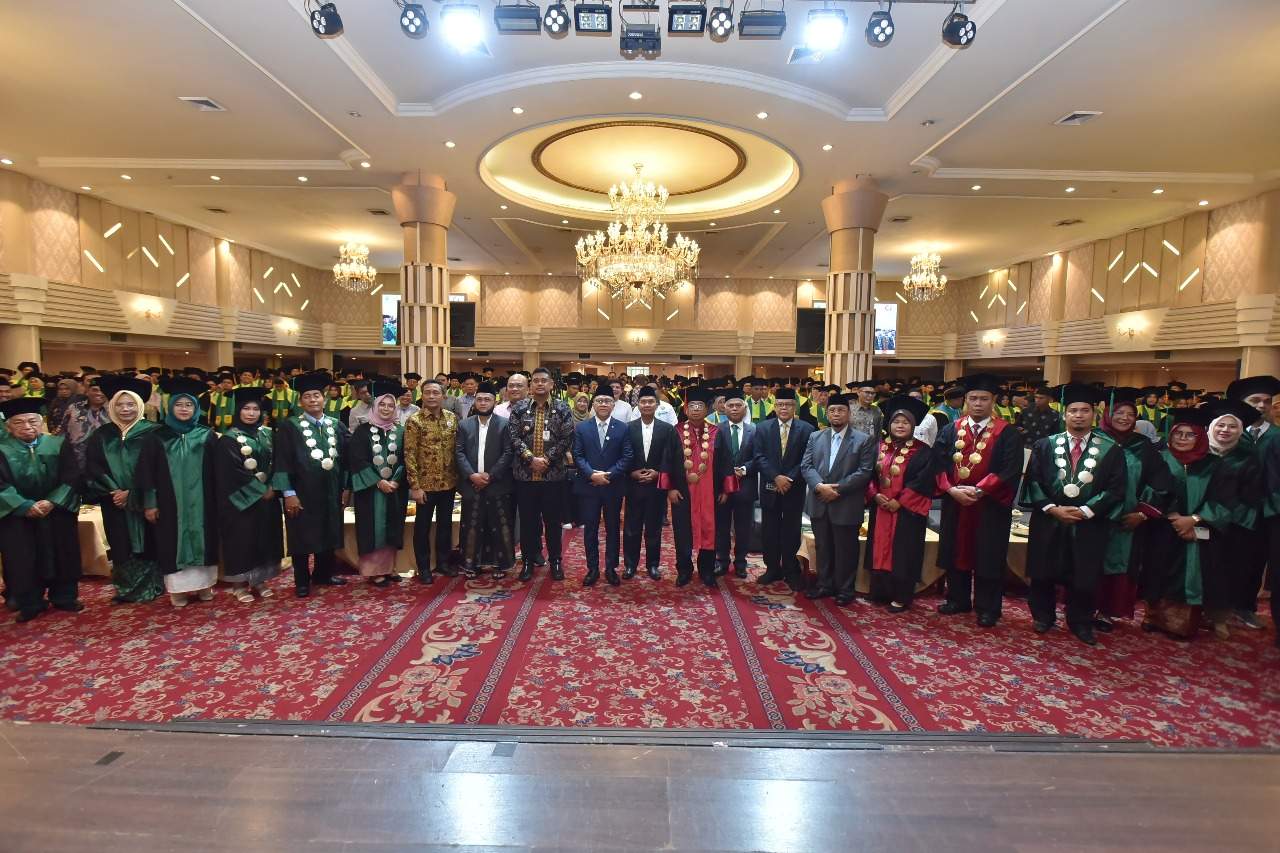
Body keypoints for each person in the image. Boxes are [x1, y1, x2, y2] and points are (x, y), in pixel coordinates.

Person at [1020, 384, 1127, 645]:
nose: (1078, 415)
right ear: (1064, 414)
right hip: (1049, 518)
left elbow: (1116, 488)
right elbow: (1033, 480)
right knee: (1043, 570)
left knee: (1084, 573)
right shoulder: (1045, 445)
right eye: (1073, 411)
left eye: (1084, 411)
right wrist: (1052, 508)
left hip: (1089, 522)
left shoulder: (1110, 449)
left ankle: (1080, 621)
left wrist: (1086, 510)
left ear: (1094, 413)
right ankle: (1043, 616)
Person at [933, 374, 1025, 628]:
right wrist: (951, 490)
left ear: (993, 401)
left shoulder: (1007, 433)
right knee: (956, 550)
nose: (977, 404)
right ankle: (958, 599)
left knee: (988, 554)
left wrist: (980, 491)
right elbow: (938, 463)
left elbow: (1011, 468)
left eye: (984, 399)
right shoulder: (951, 429)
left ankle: (988, 607)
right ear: (965, 400)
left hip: (990, 506)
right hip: (955, 503)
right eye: (973, 398)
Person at [1142, 408, 1237, 640]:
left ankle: (1180, 625)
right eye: (1178, 434)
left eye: (1190, 434)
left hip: (1198, 531)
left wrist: (1193, 520)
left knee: (1188, 574)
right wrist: (1172, 517)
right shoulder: (1159, 459)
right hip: (1163, 527)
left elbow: (1225, 500)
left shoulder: (1215, 465)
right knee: (1157, 571)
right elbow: (1148, 490)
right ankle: (1153, 618)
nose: (1182, 439)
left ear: (1201, 436)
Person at [136, 377, 220, 608]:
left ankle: (205, 586)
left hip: (204, 501)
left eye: (189, 405)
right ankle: (177, 590)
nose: (184, 409)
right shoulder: (156, 438)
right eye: (179, 405)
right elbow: (147, 473)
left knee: (205, 539)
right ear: (170, 407)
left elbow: (218, 472)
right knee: (172, 541)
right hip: (169, 502)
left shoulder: (206, 436)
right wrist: (151, 503)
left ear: (196, 408)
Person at [0, 396, 82, 623]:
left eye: (32, 421)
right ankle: (30, 602)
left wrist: (52, 501)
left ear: (42, 421)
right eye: (19, 422)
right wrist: (24, 506)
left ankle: (65, 597)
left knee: (63, 552)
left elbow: (72, 476)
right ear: (8, 426)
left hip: (55, 511)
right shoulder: (2, 450)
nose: (27, 427)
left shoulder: (57, 444)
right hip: (19, 516)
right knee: (22, 558)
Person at [1094, 388, 1172, 629]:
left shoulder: (1143, 446)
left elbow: (1161, 482)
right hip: (1093, 517)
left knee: (1117, 565)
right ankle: (1082, 607)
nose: (1125, 417)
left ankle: (1106, 612)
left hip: (1126, 521)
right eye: (1119, 412)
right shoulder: (1093, 439)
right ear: (1108, 414)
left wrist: (1142, 513)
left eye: (1130, 413)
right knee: (1088, 561)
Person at [85, 375, 164, 604]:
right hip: (114, 502)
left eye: (130, 404)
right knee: (120, 543)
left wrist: (133, 493)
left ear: (140, 405)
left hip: (146, 499)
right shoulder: (102, 435)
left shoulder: (155, 432)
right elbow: (93, 467)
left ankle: (152, 586)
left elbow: (160, 469)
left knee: (149, 541)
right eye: (119, 404)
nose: (125, 409)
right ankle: (125, 588)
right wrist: (114, 492)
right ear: (111, 406)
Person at [272, 371, 351, 598]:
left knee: (328, 532)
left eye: (317, 395)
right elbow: (282, 460)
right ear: (301, 401)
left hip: (330, 490)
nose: (313, 400)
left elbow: (346, 460)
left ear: (324, 399)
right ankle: (302, 580)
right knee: (301, 536)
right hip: (302, 492)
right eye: (308, 396)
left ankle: (323, 574)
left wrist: (346, 488)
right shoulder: (290, 427)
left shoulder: (336, 425)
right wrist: (288, 493)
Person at [800, 392, 877, 606]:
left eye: (841, 410)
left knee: (846, 549)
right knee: (823, 547)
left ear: (849, 414)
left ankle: (845, 589)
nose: (836, 414)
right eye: (832, 410)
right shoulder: (816, 437)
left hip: (846, 502)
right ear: (827, 413)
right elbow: (806, 466)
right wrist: (819, 486)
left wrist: (837, 489)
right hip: (819, 501)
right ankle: (825, 585)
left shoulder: (863, 440)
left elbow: (864, 471)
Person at [865, 396, 935, 612]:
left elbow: (923, 482)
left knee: (903, 552)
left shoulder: (923, 451)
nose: (900, 425)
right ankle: (880, 592)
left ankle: (901, 596)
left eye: (905, 422)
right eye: (896, 422)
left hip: (906, 513)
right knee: (879, 550)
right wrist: (874, 495)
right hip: (881, 507)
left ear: (913, 426)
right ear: (889, 424)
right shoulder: (878, 447)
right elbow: (867, 474)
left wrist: (900, 502)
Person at [214, 387, 284, 602]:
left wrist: (273, 486)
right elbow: (231, 472)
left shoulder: (267, 434)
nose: (251, 413)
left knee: (264, 538)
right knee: (242, 540)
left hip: (268, 498)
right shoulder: (228, 439)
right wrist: (259, 491)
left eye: (255, 409)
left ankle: (259, 580)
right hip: (240, 501)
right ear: (238, 411)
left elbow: (277, 463)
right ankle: (239, 585)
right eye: (246, 409)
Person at [661, 386, 735, 587]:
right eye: (691, 405)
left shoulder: (716, 433)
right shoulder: (675, 432)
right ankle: (684, 570)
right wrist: (670, 489)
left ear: (706, 409)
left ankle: (706, 570)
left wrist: (724, 490)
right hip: (683, 493)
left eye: (699, 406)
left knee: (711, 531)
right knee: (682, 531)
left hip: (710, 493)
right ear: (685, 409)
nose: (695, 409)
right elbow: (667, 461)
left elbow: (726, 462)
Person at [508, 367, 575, 582]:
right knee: (528, 522)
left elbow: (567, 438)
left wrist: (546, 459)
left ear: (551, 385)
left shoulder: (562, 408)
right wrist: (530, 459)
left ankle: (555, 561)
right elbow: (513, 438)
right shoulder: (519, 408)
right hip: (525, 477)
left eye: (543, 381)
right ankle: (528, 561)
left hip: (553, 476)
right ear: (530, 384)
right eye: (535, 380)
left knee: (553, 522)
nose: (539, 384)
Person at [1224, 374, 1280, 630]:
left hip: (1267, 511)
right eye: (1255, 400)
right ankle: (1218, 605)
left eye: (1266, 401)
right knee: (1225, 557)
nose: (1261, 405)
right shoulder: (1229, 433)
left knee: (1256, 560)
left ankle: (1245, 606)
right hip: (1228, 508)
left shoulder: (1276, 436)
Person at [1203, 399, 1261, 639]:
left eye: (1232, 426)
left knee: (1225, 573)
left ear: (1240, 430)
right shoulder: (1198, 452)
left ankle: (1219, 618)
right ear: (1212, 427)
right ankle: (1190, 614)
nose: (1225, 430)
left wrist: (1219, 517)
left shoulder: (1248, 458)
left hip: (1231, 527)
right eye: (1220, 425)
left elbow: (1251, 496)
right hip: (1198, 522)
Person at [348, 379, 410, 587]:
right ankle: (374, 571)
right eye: (382, 404)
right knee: (373, 528)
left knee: (392, 527)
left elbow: (406, 459)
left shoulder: (401, 431)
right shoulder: (362, 431)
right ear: (375, 406)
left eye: (390, 405)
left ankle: (389, 568)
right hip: (370, 491)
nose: (386, 408)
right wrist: (377, 481)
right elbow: (356, 460)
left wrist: (395, 480)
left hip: (395, 489)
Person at [753, 386, 814, 590]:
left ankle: (790, 570)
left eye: (788, 404)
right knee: (769, 529)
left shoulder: (807, 429)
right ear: (775, 406)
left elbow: (807, 458)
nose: (784, 408)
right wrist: (776, 476)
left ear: (794, 406)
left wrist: (788, 478)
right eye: (780, 404)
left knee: (791, 529)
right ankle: (772, 569)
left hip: (794, 488)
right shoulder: (763, 427)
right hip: (770, 486)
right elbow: (759, 456)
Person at [573, 389, 634, 587]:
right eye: (599, 400)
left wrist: (608, 475)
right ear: (593, 404)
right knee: (590, 529)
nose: (603, 404)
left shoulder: (623, 428)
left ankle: (610, 568)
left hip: (612, 486)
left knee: (613, 528)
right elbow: (578, 456)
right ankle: (592, 568)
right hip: (589, 486)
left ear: (613, 405)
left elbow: (627, 456)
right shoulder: (582, 428)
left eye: (608, 401)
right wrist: (591, 474)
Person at [455, 381, 515, 578]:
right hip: (471, 484)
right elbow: (459, 452)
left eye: (487, 399)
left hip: (497, 483)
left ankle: (500, 564)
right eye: (479, 399)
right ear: (475, 401)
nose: (482, 402)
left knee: (498, 525)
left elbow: (508, 453)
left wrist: (491, 475)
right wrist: (471, 475)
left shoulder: (504, 424)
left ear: (494, 401)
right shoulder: (464, 424)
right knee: (471, 526)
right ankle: (471, 564)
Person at [404, 377, 460, 584]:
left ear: (443, 396)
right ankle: (424, 567)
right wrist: (415, 487)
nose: (431, 396)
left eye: (436, 393)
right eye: (427, 392)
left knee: (445, 524)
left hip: (449, 483)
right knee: (422, 527)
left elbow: (457, 450)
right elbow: (409, 454)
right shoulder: (414, 421)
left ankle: (444, 563)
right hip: (424, 485)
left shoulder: (452, 418)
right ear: (422, 395)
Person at [625, 386, 678, 581]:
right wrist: (632, 472)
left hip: (657, 486)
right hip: (634, 485)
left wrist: (658, 473)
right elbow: (625, 453)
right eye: (643, 402)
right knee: (632, 528)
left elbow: (670, 456)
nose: (647, 405)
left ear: (657, 404)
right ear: (637, 405)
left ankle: (653, 565)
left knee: (654, 528)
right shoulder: (629, 428)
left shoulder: (667, 429)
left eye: (650, 402)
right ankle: (630, 565)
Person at [714, 388, 757, 579]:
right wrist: (726, 474)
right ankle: (722, 560)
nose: (734, 409)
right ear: (724, 408)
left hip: (745, 486)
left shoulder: (754, 430)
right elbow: (713, 460)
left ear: (744, 408)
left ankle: (741, 562)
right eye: (730, 405)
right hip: (722, 487)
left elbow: (759, 457)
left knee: (743, 528)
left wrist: (745, 469)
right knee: (721, 526)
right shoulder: (716, 430)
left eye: (738, 405)